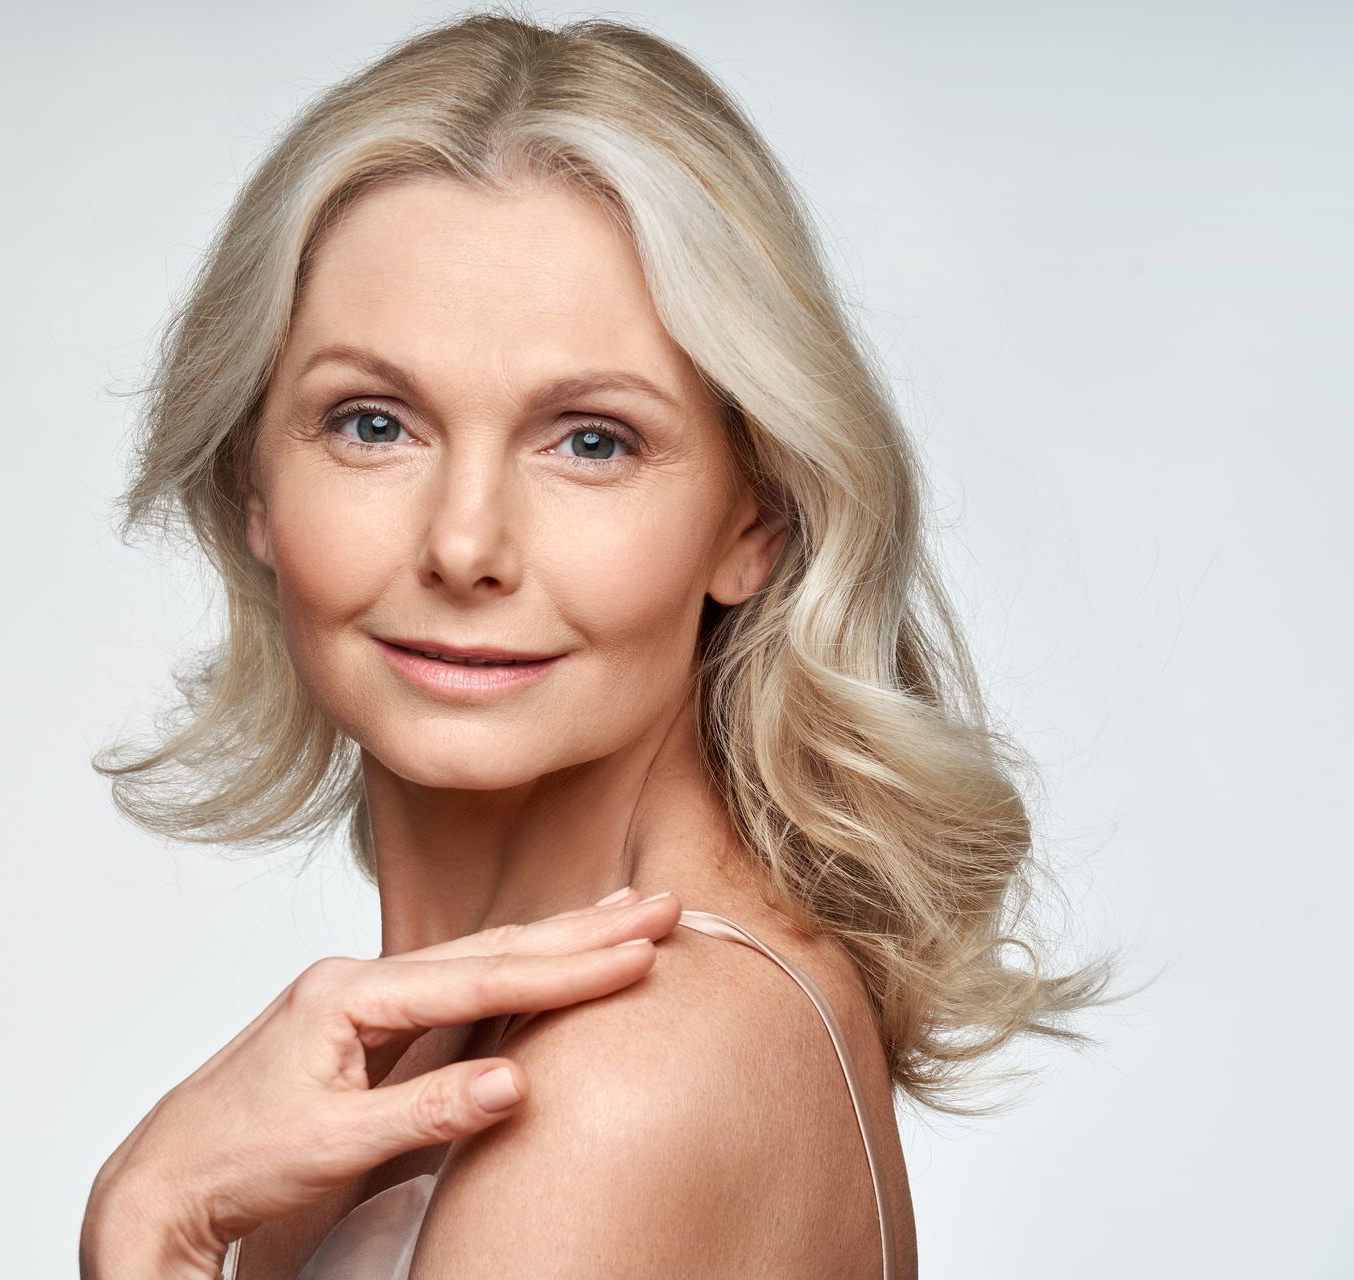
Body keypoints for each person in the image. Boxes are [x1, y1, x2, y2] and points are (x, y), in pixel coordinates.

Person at [80, 10, 1119, 1279]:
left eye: (591, 440)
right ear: (255, 481)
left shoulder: (618, 1093)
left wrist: (148, 1228)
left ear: (757, 516)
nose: (465, 545)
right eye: (372, 422)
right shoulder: (448, 1059)